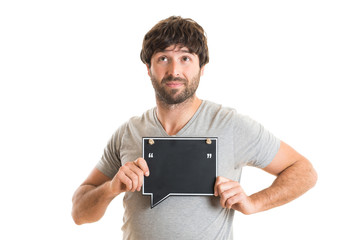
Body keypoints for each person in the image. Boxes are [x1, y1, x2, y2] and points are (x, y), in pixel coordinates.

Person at [71, 16, 317, 239]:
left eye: (185, 58)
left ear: (201, 68)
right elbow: (79, 213)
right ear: (148, 68)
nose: (174, 70)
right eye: (163, 58)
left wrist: (253, 203)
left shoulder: (230, 125)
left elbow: (304, 171)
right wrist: (112, 187)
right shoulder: (128, 132)